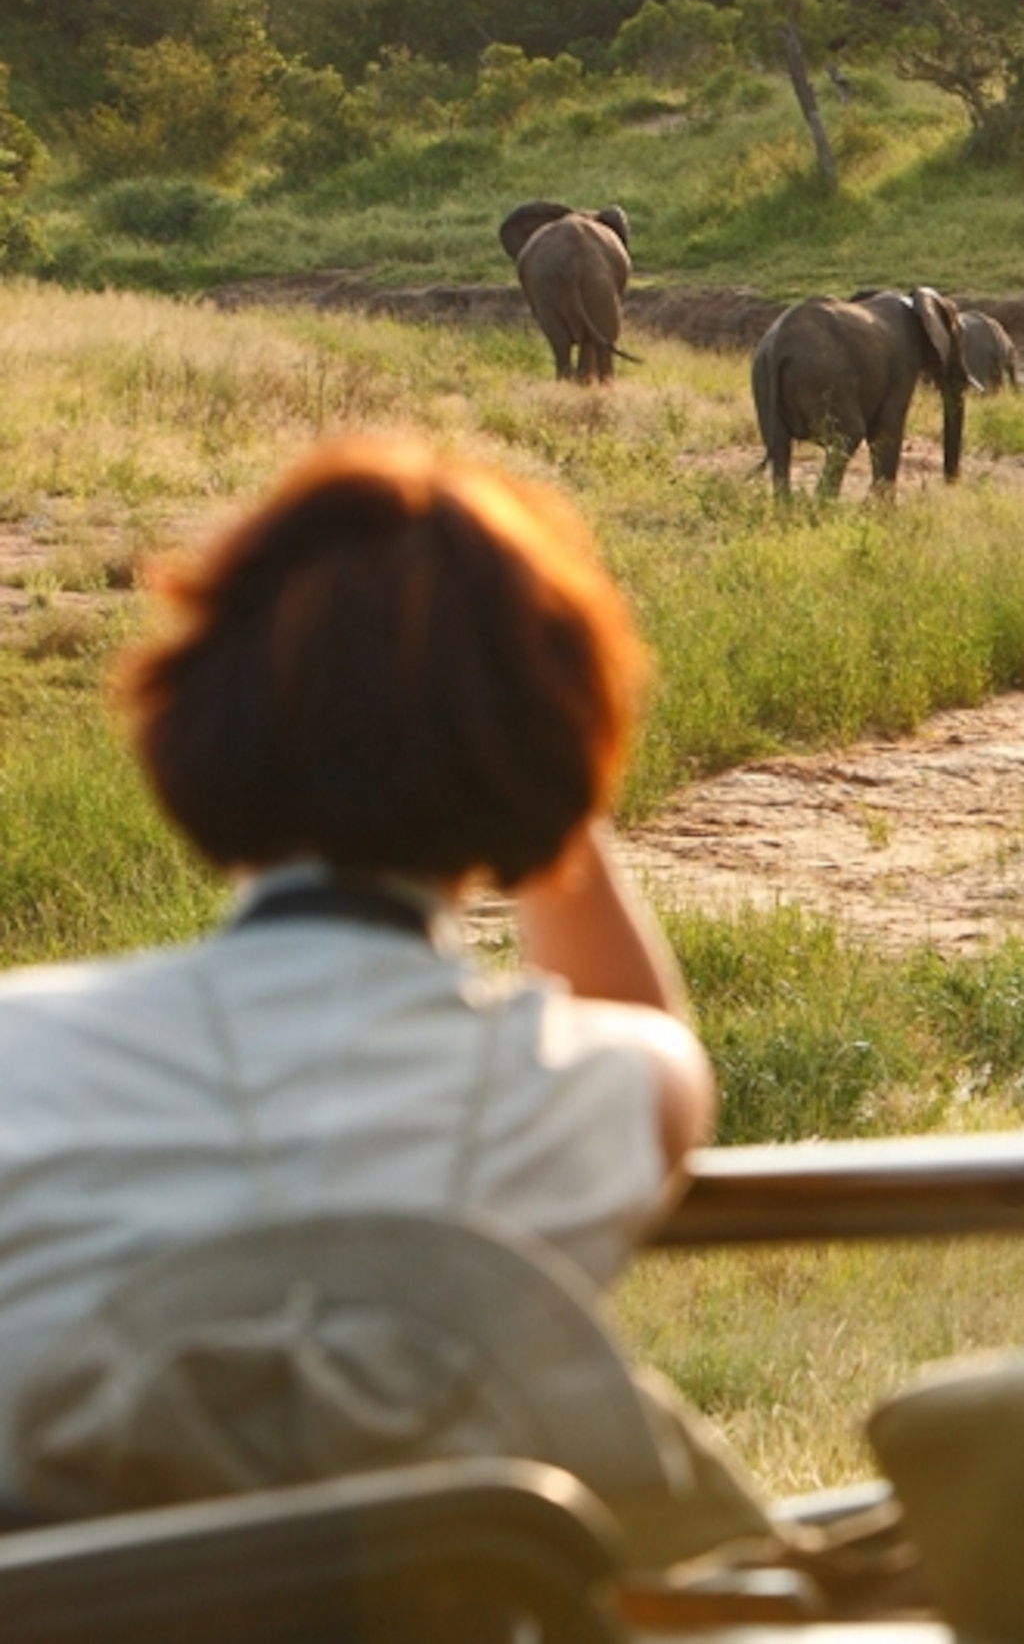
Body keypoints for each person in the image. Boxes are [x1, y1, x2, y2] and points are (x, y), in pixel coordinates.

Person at [0, 436, 715, 1505]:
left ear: (196, 725)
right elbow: (654, 1045)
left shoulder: (23, 1051)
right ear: (549, 765)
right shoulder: (591, 1084)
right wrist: (532, 751)